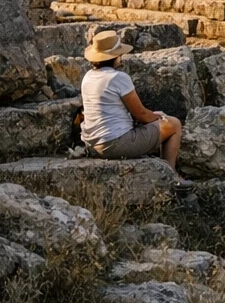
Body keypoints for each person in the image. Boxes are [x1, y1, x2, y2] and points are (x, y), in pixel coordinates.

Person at [80, 29, 189, 187]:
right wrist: (158, 117)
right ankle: (171, 177)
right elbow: (141, 115)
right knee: (174, 125)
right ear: (115, 57)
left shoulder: (88, 76)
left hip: (93, 143)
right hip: (114, 144)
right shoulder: (118, 77)